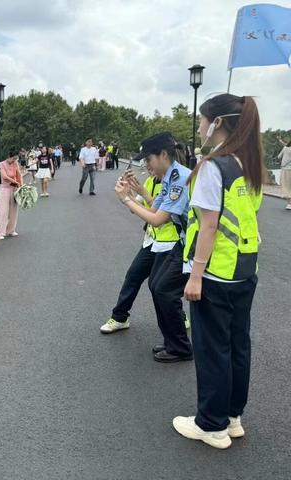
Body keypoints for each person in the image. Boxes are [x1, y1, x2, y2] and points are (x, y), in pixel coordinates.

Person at [173, 94, 265, 449]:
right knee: (237, 344)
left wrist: (195, 275)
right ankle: (232, 417)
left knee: (213, 349)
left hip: (215, 272)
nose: (199, 127)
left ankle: (210, 425)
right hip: (244, 268)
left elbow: (208, 226)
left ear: (217, 123)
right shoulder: (249, 163)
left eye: (201, 120)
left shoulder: (215, 166)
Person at [114, 132, 193, 363]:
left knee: (165, 289)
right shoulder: (169, 177)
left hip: (191, 243)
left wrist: (126, 199)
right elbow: (153, 210)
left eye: (148, 159)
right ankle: (173, 343)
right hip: (183, 241)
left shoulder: (179, 178)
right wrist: (132, 194)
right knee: (157, 284)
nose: (145, 165)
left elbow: (158, 220)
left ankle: (181, 347)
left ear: (163, 155)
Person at [100, 161, 180, 333]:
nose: (148, 168)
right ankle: (120, 317)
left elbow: (161, 217)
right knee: (133, 276)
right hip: (151, 240)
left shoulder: (176, 183)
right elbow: (134, 209)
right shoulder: (151, 182)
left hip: (170, 243)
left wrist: (142, 193)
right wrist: (127, 192)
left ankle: (178, 318)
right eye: (146, 165)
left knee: (161, 286)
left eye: (150, 163)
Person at [0, 151, 23, 239]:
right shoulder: (2, 164)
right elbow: (4, 176)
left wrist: (21, 185)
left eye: (16, 159)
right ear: (8, 156)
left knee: (14, 210)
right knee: (3, 210)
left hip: (14, 189)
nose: (14, 160)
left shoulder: (15, 163)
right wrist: (15, 181)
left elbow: (19, 174)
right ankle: (0, 231)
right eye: (13, 158)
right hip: (5, 188)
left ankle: (11, 230)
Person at [277, 137, 291, 209]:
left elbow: (279, 156)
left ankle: (289, 203)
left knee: (287, 186)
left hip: (285, 170)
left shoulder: (285, 148)